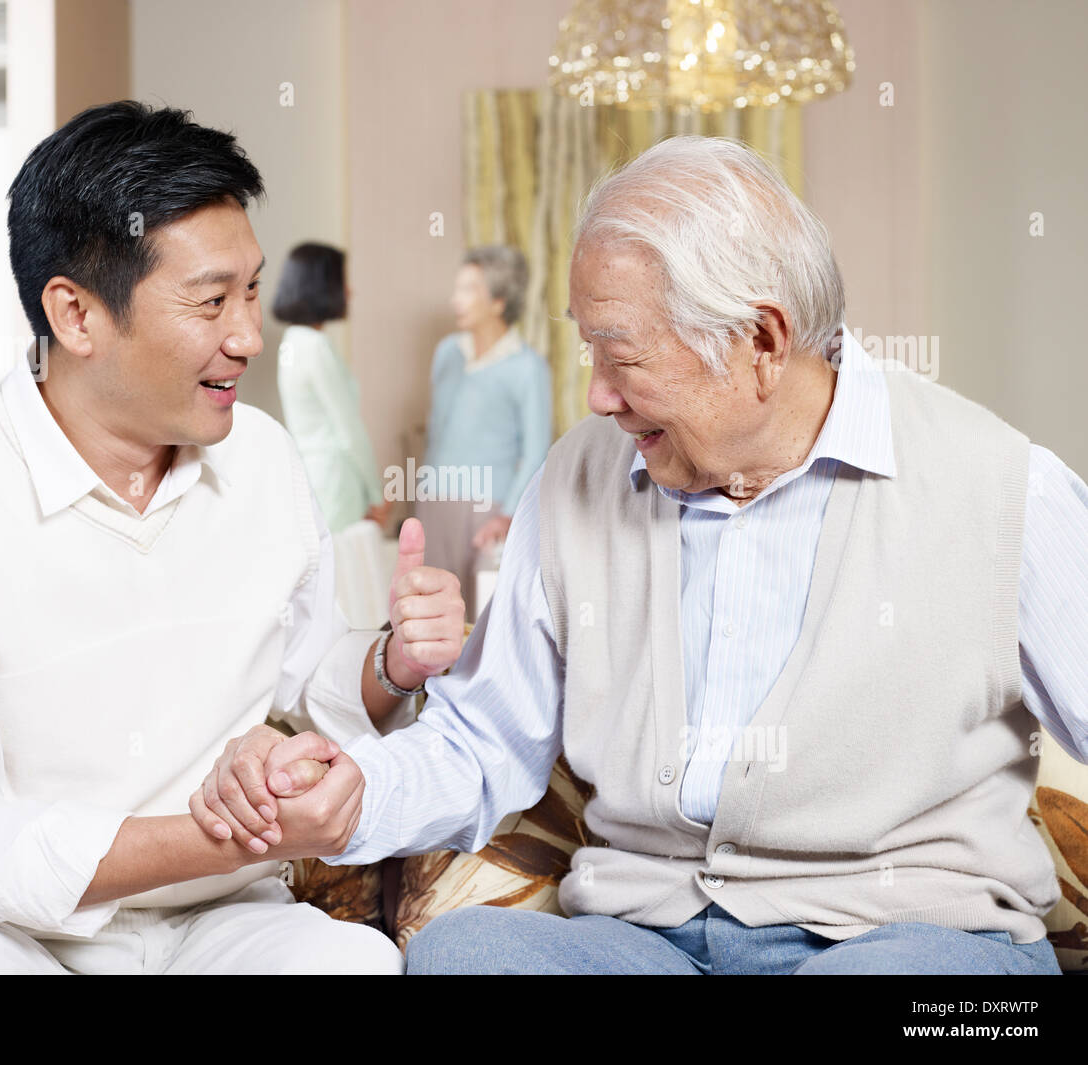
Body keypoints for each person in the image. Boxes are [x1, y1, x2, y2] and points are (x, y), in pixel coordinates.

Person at [194, 135, 1088, 975]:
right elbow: (480, 739)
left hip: (911, 940)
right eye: (587, 351)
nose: (597, 396)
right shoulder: (580, 475)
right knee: (466, 956)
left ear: (763, 342)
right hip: (648, 941)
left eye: (620, 357)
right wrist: (352, 789)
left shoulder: (1005, 487)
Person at [0, 101, 464, 975]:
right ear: (75, 316)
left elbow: (312, 683)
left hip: (222, 917)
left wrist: (395, 665)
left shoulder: (264, 459)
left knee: (352, 964)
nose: (248, 335)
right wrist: (226, 837)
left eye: (250, 289)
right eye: (210, 301)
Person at [417, 245, 552, 622]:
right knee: (431, 613)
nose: (454, 299)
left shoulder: (528, 367)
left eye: (468, 289)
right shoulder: (446, 353)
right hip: (436, 501)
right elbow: (437, 431)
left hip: (489, 510)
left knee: (483, 618)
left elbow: (538, 448)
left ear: (498, 301)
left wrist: (507, 515)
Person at [274, 243, 391, 534]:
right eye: (341, 281)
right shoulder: (316, 346)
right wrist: (377, 495)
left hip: (312, 478)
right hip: (336, 483)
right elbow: (348, 430)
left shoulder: (292, 341)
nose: (349, 291)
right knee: (344, 572)